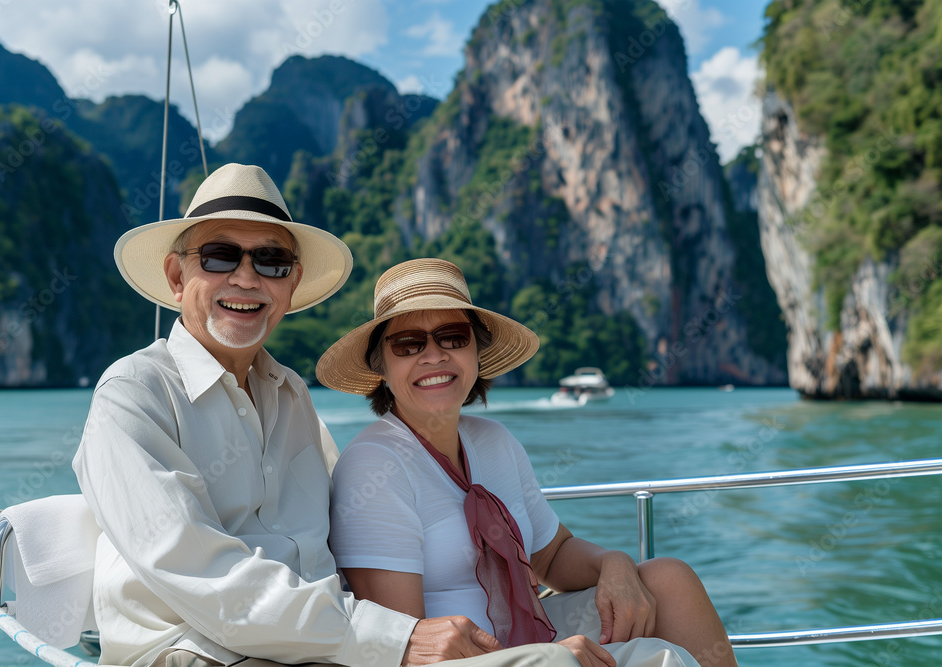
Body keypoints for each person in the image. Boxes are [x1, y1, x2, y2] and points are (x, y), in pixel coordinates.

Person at [72, 164, 589, 667]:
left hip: (321, 646)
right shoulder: (136, 394)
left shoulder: (289, 394)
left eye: (271, 261)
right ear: (176, 276)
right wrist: (395, 636)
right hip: (199, 650)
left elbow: (336, 547)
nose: (247, 277)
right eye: (220, 256)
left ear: (291, 283)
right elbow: (204, 579)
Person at [316, 259, 738, 667]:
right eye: (408, 344)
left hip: (530, 641)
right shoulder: (374, 466)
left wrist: (614, 564)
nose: (434, 356)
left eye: (453, 337)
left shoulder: (492, 441)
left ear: (476, 353)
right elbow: (410, 644)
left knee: (669, 580)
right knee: (657, 660)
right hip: (468, 660)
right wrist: (541, 659)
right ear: (382, 368)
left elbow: (551, 557)